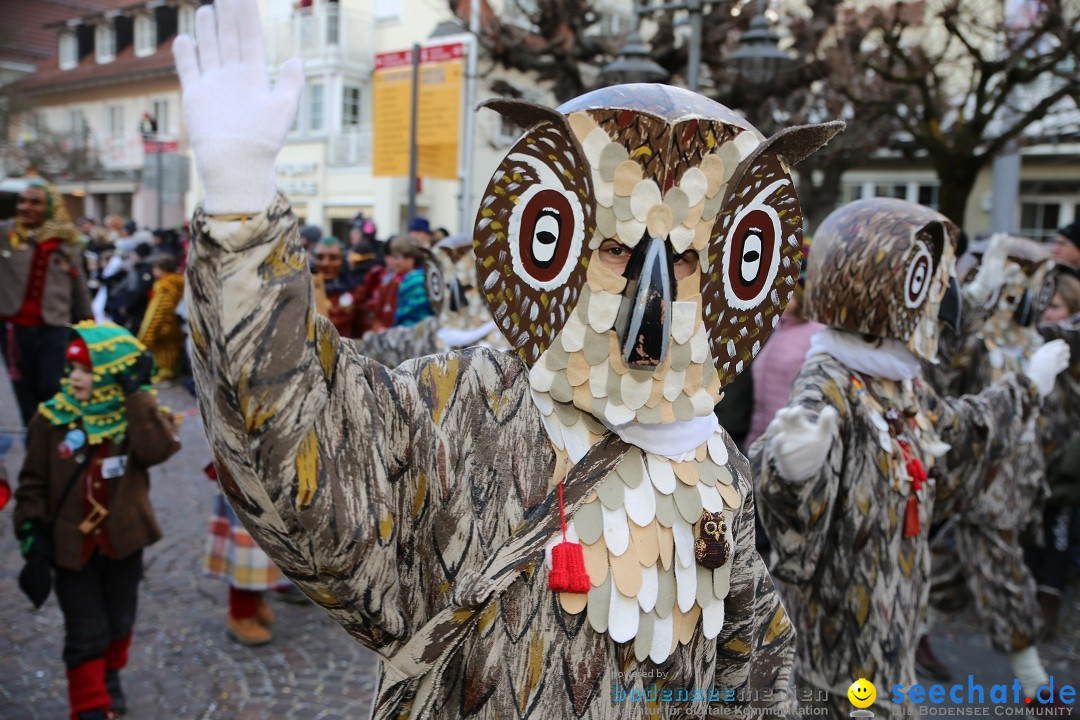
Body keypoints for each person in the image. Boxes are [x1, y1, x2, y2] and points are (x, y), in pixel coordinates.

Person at [174, 5, 850, 713]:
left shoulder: (713, 460)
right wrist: (241, 213)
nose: (650, 289)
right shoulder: (465, 404)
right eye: (615, 251)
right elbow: (305, 456)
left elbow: (752, 657)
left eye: (687, 260)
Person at [750, 200, 1069, 717]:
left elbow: (957, 430)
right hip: (840, 654)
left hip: (889, 636)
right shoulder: (830, 378)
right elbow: (788, 500)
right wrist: (791, 471)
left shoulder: (897, 380)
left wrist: (1025, 387)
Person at [13, 321, 180, 720]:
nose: (76, 379)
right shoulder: (50, 421)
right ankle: (89, 706)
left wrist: (136, 396)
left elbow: (158, 450)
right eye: (73, 370)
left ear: (112, 375)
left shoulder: (137, 419)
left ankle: (110, 676)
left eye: (87, 371)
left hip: (125, 541)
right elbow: (32, 484)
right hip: (73, 549)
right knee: (85, 631)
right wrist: (31, 534)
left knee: (120, 621)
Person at [918, 235, 1058, 690]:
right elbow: (940, 368)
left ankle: (912, 631)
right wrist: (971, 305)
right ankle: (1035, 684)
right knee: (1004, 573)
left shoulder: (1041, 341)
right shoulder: (976, 343)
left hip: (1022, 478)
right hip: (985, 479)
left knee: (951, 568)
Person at [0, 178, 94, 427]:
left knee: (52, 387)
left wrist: (90, 327)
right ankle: (34, 447)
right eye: (22, 201)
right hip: (14, 332)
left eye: (35, 202)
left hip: (55, 328)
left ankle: (53, 443)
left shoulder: (67, 242)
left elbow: (79, 288)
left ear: (50, 208)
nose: (25, 207)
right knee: (24, 390)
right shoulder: (6, 234)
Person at [202, 462, 291, 646]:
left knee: (270, 544)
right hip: (244, 472)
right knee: (248, 550)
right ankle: (241, 615)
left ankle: (256, 601)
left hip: (270, 468)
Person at [137, 255, 186, 381]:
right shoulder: (179, 282)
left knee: (165, 351)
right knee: (173, 349)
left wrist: (147, 334)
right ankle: (171, 372)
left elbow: (159, 310)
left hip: (165, 325)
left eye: (155, 269)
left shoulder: (164, 286)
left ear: (163, 270)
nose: (153, 272)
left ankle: (166, 374)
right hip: (176, 323)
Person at [312, 236, 360, 339]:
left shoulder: (354, 291)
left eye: (333, 258)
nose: (326, 263)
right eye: (320, 257)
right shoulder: (304, 290)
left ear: (342, 261)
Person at [387, 235, 434, 328]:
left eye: (397, 257)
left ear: (410, 260)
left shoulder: (413, 280)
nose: (394, 262)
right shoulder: (423, 275)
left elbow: (411, 317)